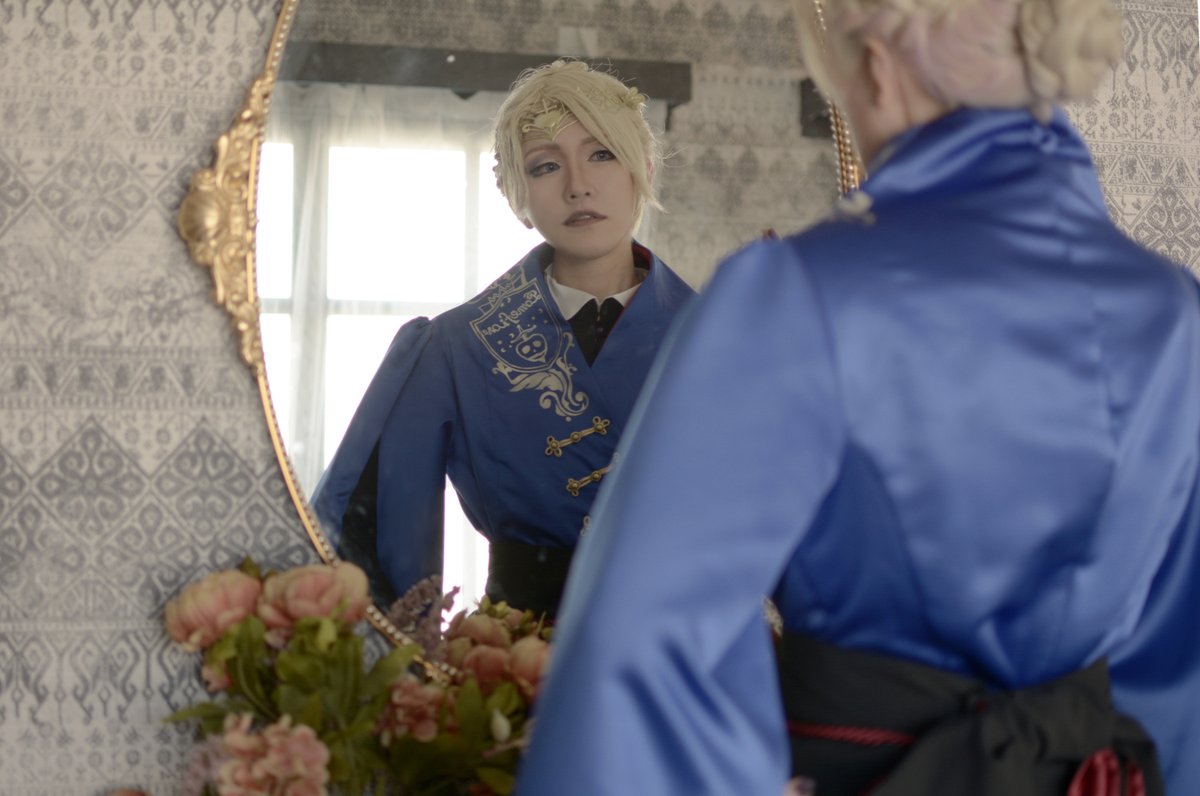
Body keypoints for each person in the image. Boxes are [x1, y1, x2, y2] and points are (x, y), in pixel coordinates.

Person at [516, 0, 1200, 793]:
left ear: (876, 68)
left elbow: (637, 657)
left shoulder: (794, 292)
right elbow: (1180, 673)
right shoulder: (1172, 310)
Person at [310, 60, 694, 619]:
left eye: (603, 154)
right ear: (517, 195)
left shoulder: (720, 338)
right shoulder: (452, 347)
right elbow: (379, 532)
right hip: (517, 648)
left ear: (646, 170)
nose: (578, 185)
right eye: (545, 166)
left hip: (689, 643)